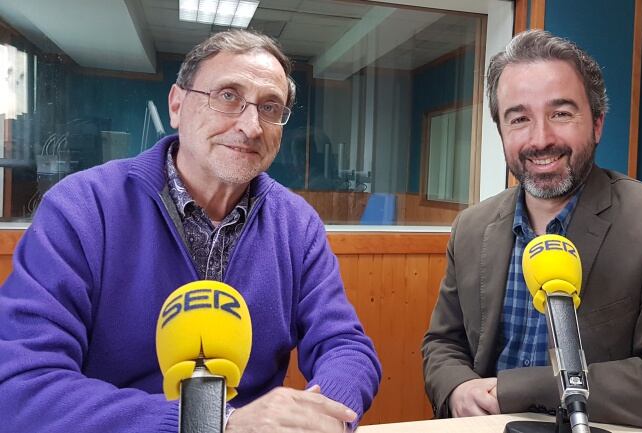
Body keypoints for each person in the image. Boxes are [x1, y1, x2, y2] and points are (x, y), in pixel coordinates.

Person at [0, 30, 381, 433]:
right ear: (177, 105)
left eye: (271, 107)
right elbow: (20, 384)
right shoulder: (82, 208)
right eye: (228, 96)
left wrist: (326, 413)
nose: (252, 126)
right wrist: (213, 424)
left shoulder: (297, 225)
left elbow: (346, 346)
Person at [421, 29, 642, 430]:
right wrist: (457, 387)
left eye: (561, 113)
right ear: (501, 132)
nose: (541, 138)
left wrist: (516, 389)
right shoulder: (471, 227)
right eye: (519, 118)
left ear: (597, 124)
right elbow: (443, 344)